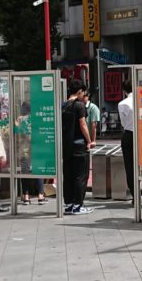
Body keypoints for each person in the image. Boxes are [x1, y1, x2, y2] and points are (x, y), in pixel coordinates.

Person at [62, 80, 93, 215]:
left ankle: (68, 204)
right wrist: (90, 140)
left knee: (68, 175)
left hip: (66, 146)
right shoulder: (79, 106)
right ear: (79, 91)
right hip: (79, 145)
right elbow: (83, 124)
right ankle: (78, 206)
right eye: (83, 92)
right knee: (81, 176)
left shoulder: (63, 105)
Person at [118, 79, 135, 198]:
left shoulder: (123, 103)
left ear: (124, 91)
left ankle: (135, 195)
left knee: (130, 167)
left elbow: (123, 123)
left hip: (129, 134)